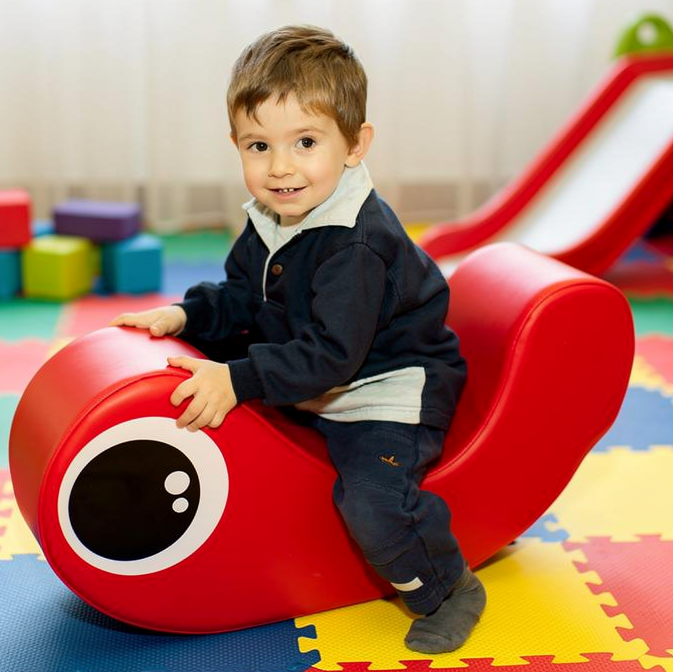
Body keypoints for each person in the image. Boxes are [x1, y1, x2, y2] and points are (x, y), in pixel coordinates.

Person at [110, 24, 485, 653]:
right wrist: (187, 317)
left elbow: (334, 356)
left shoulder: (356, 245)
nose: (280, 168)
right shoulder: (271, 216)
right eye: (259, 146)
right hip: (313, 373)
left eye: (305, 143)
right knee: (208, 391)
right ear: (236, 145)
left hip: (382, 392)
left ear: (355, 145)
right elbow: (240, 298)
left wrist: (238, 378)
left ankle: (449, 588)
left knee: (371, 502)